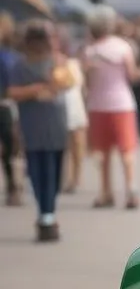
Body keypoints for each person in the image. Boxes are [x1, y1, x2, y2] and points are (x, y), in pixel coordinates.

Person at [4, 22, 69, 241]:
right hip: (33, 124)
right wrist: (39, 87)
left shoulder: (57, 60)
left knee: (54, 170)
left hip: (55, 122)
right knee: (39, 171)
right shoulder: (20, 66)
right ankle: (46, 215)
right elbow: (13, 92)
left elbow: (67, 83)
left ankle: (47, 212)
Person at [83, 5, 140, 208]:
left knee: (102, 152)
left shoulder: (90, 51)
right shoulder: (123, 47)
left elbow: (87, 81)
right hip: (122, 103)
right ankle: (131, 190)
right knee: (126, 151)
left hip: (97, 104)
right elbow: (131, 75)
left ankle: (105, 192)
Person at [55, 28, 88, 193]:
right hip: (59, 106)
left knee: (77, 143)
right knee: (64, 144)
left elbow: (80, 85)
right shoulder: (52, 62)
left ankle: (76, 177)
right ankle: (65, 178)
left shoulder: (73, 63)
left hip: (75, 105)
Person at [0, 11, 24, 205]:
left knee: (11, 148)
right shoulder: (12, 57)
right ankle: (13, 186)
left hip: (7, 105)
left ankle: (14, 185)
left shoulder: (11, 56)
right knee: (11, 148)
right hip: (8, 105)